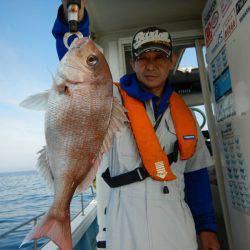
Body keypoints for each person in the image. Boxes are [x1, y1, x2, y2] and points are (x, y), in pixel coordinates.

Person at [52, 1, 220, 249]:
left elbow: (196, 176)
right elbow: (78, 70)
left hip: (176, 226)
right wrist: (73, 17)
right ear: (133, 63)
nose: (151, 65)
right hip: (124, 225)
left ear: (172, 60)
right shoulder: (111, 99)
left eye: (159, 57)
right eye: (143, 57)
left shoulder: (187, 118)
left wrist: (206, 228)